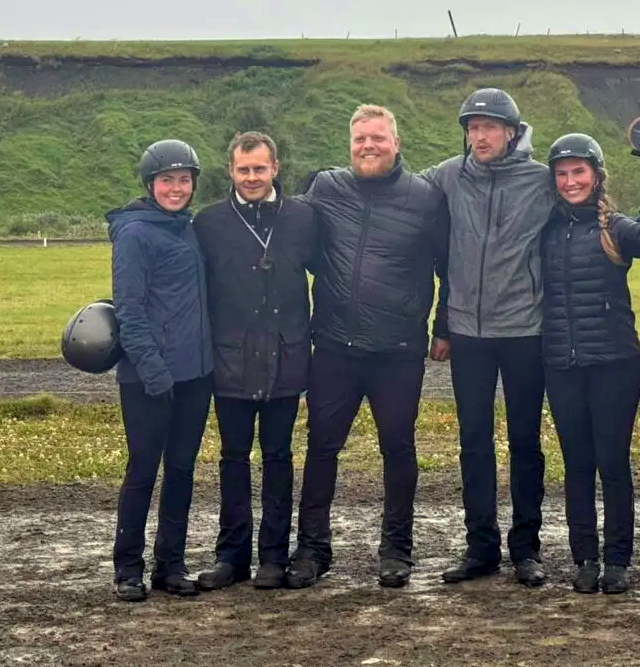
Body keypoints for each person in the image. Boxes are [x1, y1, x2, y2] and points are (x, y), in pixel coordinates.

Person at [285, 104, 450, 589]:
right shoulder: (325, 189)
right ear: (350, 145)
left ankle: (397, 549)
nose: (368, 147)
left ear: (396, 142)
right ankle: (313, 548)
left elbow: (450, 265)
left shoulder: (426, 198)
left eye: (377, 138)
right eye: (360, 140)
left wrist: (444, 326)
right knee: (321, 448)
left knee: (398, 449)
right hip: (334, 346)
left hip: (398, 350)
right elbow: (295, 242)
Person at [422, 88, 556, 587]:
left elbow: (591, 211)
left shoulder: (542, 181)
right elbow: (400, 199)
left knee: (525, 441)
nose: (479, 136)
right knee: (473, 441)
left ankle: (526, 547)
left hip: (525, 330)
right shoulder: (447, 176)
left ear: (512, 131)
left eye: (489, 127)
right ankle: (481, 546)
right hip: (467, 334)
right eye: (472, 127)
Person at [542, 134, 640, 594]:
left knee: (612, 463)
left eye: (579, 172)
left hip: (615, 363)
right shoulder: (544, 230)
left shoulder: (615, 228)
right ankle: (585, 558)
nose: (570, 181)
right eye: (562, 173)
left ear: (596, 176)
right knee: (576, 464)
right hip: (560, 363)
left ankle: (618, 560)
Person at [192, 132, 318, 591]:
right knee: (232, 458)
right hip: (230, 362)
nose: (251, 177)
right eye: (243, 170)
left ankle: (273, 556)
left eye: (259, 169)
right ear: (231, 171)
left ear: (275, 169)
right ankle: (231, 557)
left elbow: (331, 275)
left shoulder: (304, 218)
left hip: (286, 358)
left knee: (279, 457)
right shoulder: (208, 223)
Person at [106, 139, 214, 601]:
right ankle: (128, 567)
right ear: (150, 184)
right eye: (167, 180)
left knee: (183, 470)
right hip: (150, 378)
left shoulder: (186, 228)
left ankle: (170, 563)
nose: (177, 188)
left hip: (195, 374)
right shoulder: (134, 234)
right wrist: (154, 372)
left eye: (184, 180)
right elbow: (128, 311)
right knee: (143, 470)